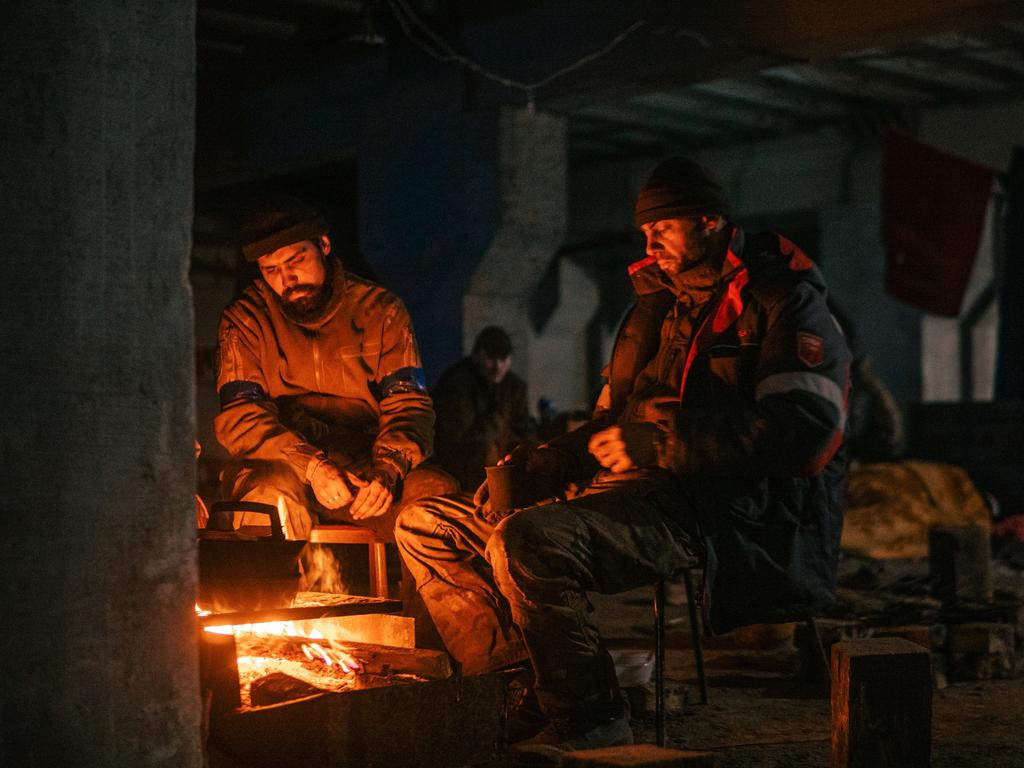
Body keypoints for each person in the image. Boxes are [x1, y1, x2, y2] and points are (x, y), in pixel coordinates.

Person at [395, 157, 851, 760]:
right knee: (423, 524)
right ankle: (523, 687)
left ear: (710, 221)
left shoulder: (781, 300)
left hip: (714, 508)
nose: (649, 241)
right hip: (625, 490)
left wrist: (661, 444)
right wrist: (545, 464)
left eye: (663, 227)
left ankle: (594, 717)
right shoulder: (653, 309)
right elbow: (608, 425)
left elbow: (805, 432)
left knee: (527, 543)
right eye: (644, 231)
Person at [214, 194, 456, 546]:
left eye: (296, 260)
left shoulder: (381, 312)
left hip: (365, 469)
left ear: (323, 245)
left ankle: (433, 603)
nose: (288, 278)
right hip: (279, 468)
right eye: (271, 270)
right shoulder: (244, 320)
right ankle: (266, 597)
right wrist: (312, 466)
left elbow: (409, 406)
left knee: (435, 499)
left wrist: (387, 470)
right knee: (262, 505)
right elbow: (241, 417)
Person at [431, 325, 537, 491]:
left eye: (504, 359)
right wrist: (495, 423)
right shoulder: (456, 382)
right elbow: (454, 439)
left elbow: (524, 429)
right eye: (491, 359)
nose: (498, 366)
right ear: (477, 356)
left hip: (502, 471)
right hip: (462, 472)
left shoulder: (513, 387)